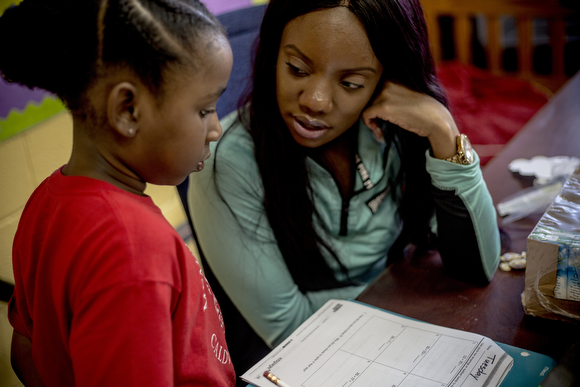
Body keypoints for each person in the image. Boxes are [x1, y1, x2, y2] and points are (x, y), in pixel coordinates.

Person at [188, 0, 500, 379]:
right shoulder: (230, 163)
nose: (315, 101)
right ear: (273, 56)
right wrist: (420, 297)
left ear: (388, 79)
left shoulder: (395, 126)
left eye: (351, 83)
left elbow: (476, 268)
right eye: (297, 69)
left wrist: (444, 133)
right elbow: (292, 329)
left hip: (397, 335)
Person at [1, 0, 234, 386]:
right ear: (127, 110)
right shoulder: (134, 250)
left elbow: (25, 352)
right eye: (205, 109)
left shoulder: (45, 203)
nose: (215, 129)